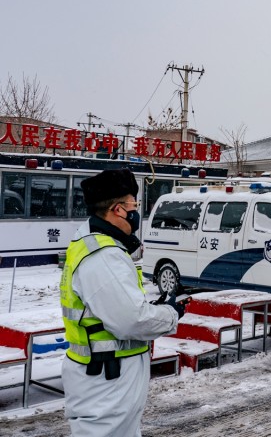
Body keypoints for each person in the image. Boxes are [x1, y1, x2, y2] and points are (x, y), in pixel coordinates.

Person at [60, 169, 183, 436]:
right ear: (118, 210)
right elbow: (131, 320)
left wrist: (157, 308)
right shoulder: (103, 255)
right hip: (107, 380)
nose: (138, 214)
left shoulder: (100, 246)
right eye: (135, 206)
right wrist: (170, 313)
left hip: (107, 375)